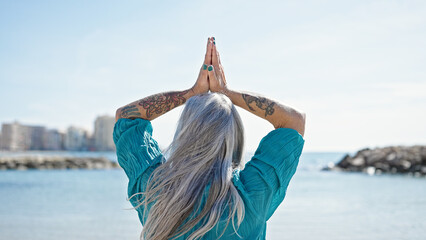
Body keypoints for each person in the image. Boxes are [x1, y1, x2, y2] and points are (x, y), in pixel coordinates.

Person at [113, 37, 306, 240]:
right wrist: (226, 92)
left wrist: (192, 93)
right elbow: (293, 120)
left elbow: (126, 117)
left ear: (186, 131)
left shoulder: (155, 190)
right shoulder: (250, 195)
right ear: (234, 135)